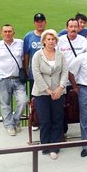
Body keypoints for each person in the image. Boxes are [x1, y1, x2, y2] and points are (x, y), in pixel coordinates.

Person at [31, 29, 68, 160]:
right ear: (44, 41)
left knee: (57, 119)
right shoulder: (37, 55)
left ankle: (54, 147)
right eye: (48, 39)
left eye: (53, 39)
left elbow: (65, 72)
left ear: (56, 41)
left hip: (58, 91)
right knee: (45, 120)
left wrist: (60, 88)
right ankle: (45, 145)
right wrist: (47, 90)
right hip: (42, 93)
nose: (51, 41)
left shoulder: (61, 55)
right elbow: (36, 74)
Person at [57, 18, 87, 135]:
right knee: (62, 107)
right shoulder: (60, 41)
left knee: (82, 106)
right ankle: (62, 130)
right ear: (67, 28)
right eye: (71, 27)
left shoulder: (83, 41)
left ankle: (85, 130)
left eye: (75, 27)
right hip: (63, 80)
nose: (73, 29)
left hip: (79, 79)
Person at [24, 12, 47, 132]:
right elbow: (26, 54)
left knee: (47, 99)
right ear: (34, 23)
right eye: (37, 21)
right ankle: (35, 121)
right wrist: (27, 69)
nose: (40, 23)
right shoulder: (29, 36)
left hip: (48, 75)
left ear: (45, 22)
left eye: (42, 21)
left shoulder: (49, 35)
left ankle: (46, 120)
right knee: (35, 99)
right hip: (35, 75)